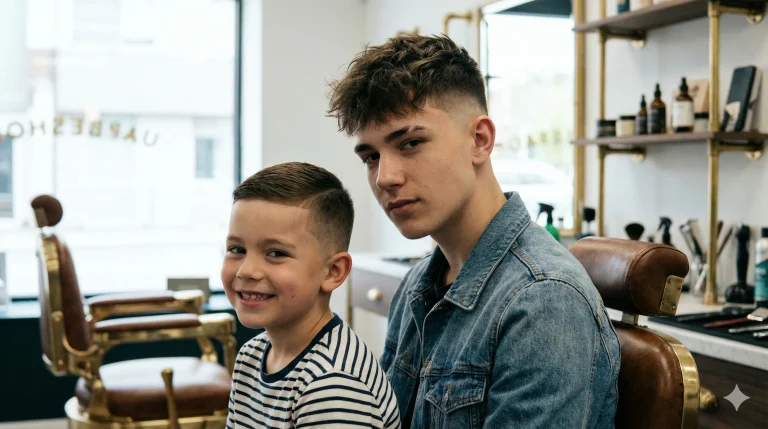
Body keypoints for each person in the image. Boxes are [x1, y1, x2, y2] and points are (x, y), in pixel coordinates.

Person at [327, 35, 620, 428]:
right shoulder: (418, 282)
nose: (385, 177)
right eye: (371, 157)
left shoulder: (542, 302)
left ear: (479, 141)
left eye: (411, 143)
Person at [223, 162, 401, 429]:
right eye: (237, 249)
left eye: (276, 253)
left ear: (332, 272)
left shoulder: (332, 384)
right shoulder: (251, 355)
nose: (247, 270)